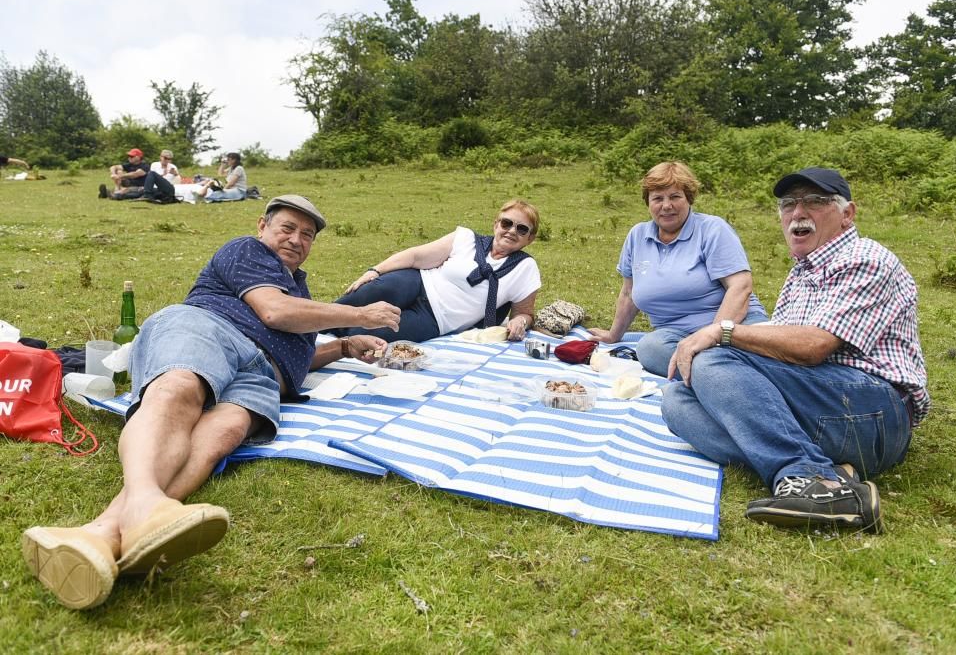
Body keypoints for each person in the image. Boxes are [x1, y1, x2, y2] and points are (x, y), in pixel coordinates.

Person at [21, 194, 402, 610]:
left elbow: (295, 352)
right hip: (207, 328)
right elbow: (274, 313)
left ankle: (102, 534)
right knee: (179, 388)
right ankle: (146, 505)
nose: (296, 239)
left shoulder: (300, 290)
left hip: (263, 373)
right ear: (263, 226)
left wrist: (344, 346)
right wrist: (359, 316)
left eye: (306, 235)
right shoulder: (246, 250)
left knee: (222, 434)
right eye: (287, 228)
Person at [661, 167, 929, 534]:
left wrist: (721, 332)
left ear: (847, 214)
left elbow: (813, 346)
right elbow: (782, 340)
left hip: (875, 411)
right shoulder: (802, 270)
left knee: (715, 356)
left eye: (815, 202)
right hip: (824, 405)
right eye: (788, 204)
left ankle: (809, 478)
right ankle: (831, 471)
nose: (798, 213)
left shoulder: (866, 258)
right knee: (677, 399)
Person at [588, 161, 767, 377]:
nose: (666, 205)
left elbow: (741, 287)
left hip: (732, 327)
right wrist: (613, 335)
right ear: (648, 203)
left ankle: (714, 372)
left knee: (754, 351)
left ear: (688, 198)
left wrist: (712, 336)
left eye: (675, 197)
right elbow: (628, 293)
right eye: (657, 198)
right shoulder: (637, 236)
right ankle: (722, 374)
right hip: (677, 335)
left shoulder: (712, 229)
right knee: (649, 348)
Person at [332, 199, 542, 343]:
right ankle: (311, 322)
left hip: (436, 318)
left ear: (530, 238)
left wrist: (519, 321)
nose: (512, 231)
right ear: (496, 225)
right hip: (416, 283)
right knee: (366, 294)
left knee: (369, 331)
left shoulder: (525, 268)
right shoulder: (467, 238)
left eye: (522, 229)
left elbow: (524, 313)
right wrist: (375, 271)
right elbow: (415, 256)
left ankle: (329, 342)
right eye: (507, 223)